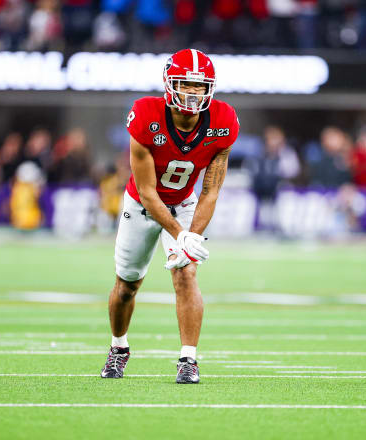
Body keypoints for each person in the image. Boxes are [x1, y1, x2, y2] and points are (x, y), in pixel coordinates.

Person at [100, 49, 239, 384]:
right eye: (185, 84)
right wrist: (181, 233)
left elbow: (211, 190)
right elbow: (148, 192)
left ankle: (188, 359)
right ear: (169, 84)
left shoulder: (223, 122)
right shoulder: (146, 114)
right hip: (140, 206)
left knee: (186, 275)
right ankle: (119, 347)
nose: (192, 92)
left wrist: (192, 237)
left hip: (183, 203)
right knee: (127, 285)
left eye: (199, 86)